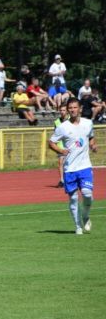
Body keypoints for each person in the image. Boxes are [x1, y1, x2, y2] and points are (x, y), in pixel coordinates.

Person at [48, 98, 97, 235]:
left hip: (85, 166)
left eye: (75, 107)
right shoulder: (63, 127)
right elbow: (51, 142)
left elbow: (91, 136)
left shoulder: (88, 123)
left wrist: (93, 145)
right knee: (74, 198)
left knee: (87, 195)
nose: (72, 110)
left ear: (80, 108)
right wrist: (60, 151)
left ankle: (85, 216)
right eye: (70, 108)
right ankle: (78, 226)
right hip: (69, 169)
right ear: (68, 110)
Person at [53, 105, 69, 188]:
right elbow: (55, 134)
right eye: (61, 110)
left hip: (70, 144)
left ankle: (70, 179)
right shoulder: (57, 122)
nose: (62, 112)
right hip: (61, 145)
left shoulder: (71, 120)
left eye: (64, 110)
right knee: (60, 163)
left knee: (69, 163)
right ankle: (62, 180)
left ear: (67, 111)